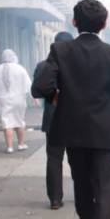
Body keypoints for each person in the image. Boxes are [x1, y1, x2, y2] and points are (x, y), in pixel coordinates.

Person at [33, 0, 110, 219]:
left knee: (83, 192)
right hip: (107, 135)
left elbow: (40, 87)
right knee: (106, 194)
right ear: (105, 23)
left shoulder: (60, 51)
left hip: (73, 134)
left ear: (74, 22)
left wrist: (57, 96)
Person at [33, 31, 74, 209]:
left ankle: (55, 199)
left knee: (54, 158)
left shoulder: (43, 65)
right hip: (76, 118)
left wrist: (53, 94)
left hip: (54, 116)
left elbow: (36, 91)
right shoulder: (78, 65)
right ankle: (83, 195)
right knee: (78, 159)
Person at [0, 49, 32, 154]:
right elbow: (28, 84)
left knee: (7, 123)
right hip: (19, 99)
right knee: (19, 121)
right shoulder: (20, 68)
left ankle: (9, 147)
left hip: (3, 100)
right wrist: (32, 96)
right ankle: (21, 144)